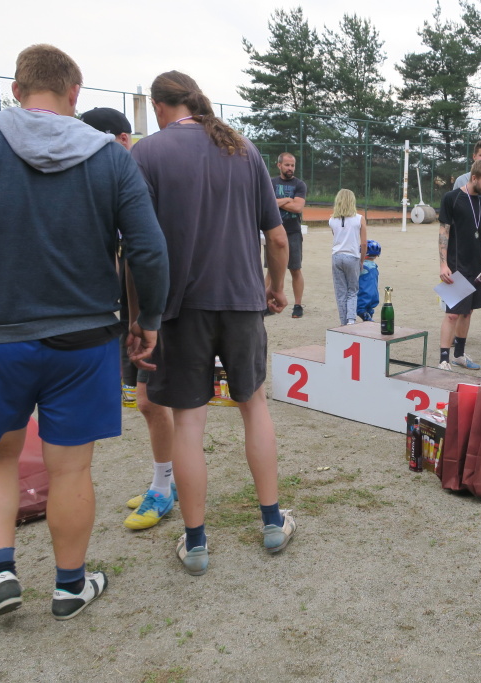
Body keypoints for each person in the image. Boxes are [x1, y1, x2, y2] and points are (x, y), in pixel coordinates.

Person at [0, 44, 168, 620]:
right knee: (70, 469)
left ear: (16, 89)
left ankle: (2, 571)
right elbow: (148, 249)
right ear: (74, 93)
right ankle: (69, 586)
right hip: (83, 339)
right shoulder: (111, 158)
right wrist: (149, 319)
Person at [130, 70, 292, 576]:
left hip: (179, 307)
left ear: (160, 106)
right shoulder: (244, 148)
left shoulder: (147, 153)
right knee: (254, 406)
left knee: (189, 422)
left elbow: (137, 247)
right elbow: (277, 237)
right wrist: (275, 286)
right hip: (242, 300)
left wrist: (139, 316)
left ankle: (196, 542)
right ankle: (272, 522)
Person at [80, 106, 178, 530]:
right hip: (136, 306)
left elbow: (151, 251)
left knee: (150, 401)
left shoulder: (139, 170)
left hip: (158, 307)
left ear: (121, 140)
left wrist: (147, 316)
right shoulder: (110, 176)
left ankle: (164, 487)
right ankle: (165, 480)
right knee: (148, 402)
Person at [438, 159, 481, 370]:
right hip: (456, 265)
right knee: (452, 314)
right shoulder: (452, 198)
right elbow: (444, 232)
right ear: (474, 178)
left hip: (477, 265)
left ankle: (459, 355)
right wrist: (443, 265)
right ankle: (443, 360)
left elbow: (477, 230)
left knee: (467, 313)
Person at [273, 152, 307, 318]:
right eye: (287, 165)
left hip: (293, 231)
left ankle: (298, 305)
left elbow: (298, 207)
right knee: (271, 270)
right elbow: (267, 203)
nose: (290, 168)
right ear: (279, 165)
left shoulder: (300, 185)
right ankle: (267, 303)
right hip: (274, 231)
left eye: (292, 165)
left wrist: (278, 202)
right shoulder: (270, 183)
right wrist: (288, 199)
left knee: (295, 269)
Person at [329, 189, 367, 326]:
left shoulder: (332, 220)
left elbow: (336, 237)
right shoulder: (359, 219)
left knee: (341, 292)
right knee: (352, 290)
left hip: (337, 256)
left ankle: (343, 322)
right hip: (352, 256)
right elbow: (363, 243)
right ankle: (351, 319)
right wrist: (361, 260)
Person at [358, 240, 381, 321]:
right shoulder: (374, 266)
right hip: (374, 296)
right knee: (369, 310)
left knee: (360, 310)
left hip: (364, 295)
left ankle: (370, 321)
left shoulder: (362, 266)